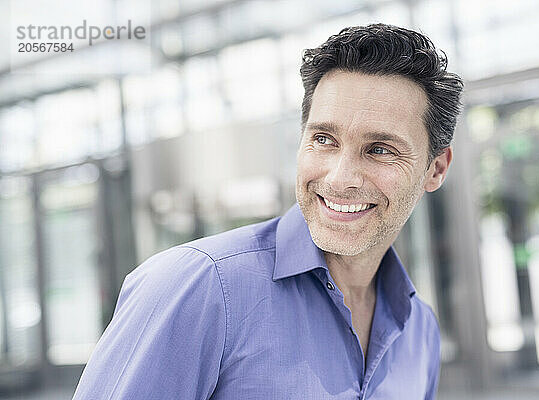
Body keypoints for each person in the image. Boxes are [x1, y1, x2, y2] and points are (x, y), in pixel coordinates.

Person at [73, 23, 463, 400]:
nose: (340, 178)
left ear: (435, 169)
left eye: (380, 149)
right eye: (324, 139)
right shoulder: (197, 286)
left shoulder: (420, 331)